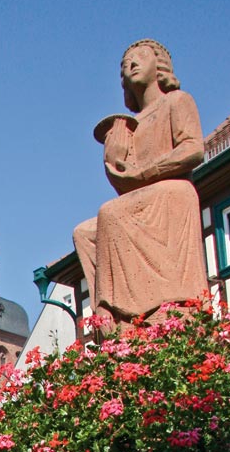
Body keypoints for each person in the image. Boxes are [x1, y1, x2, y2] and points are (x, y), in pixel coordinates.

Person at [73, 39, 206, 323]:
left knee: (110, 211)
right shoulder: (128, 125)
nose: (130, 64)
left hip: (173, 192)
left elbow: (193, 150)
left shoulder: (177, 101)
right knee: (83, 233)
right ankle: (109, 314)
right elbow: (124, 183)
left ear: (159, 66)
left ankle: (119, 307)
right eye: (124, 64)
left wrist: (144, 172)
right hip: (142, 201)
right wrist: (113, 159)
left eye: (139, 57)